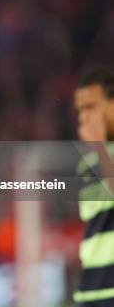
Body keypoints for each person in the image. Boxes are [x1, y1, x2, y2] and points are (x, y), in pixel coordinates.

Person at [73, 67, 114, 307]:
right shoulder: (87, 164)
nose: (83, 117)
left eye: (90, 107)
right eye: (80, 110)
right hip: (90, 289)